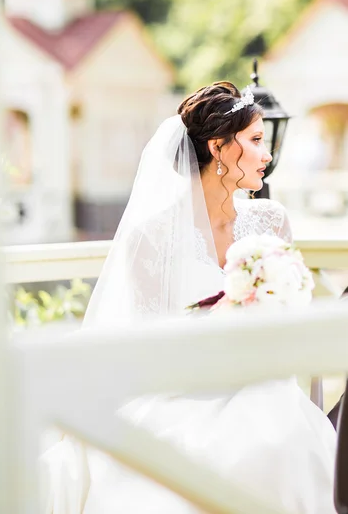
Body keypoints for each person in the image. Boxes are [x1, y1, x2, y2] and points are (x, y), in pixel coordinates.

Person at [42, 81, 337, 514]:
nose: (268, 154)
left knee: (277, 432)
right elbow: (146, 346)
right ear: (219, 149)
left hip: (262, 383)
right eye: (256, 140)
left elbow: (291, 318)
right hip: (182, 394)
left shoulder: (271, 222)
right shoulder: (152, 238)